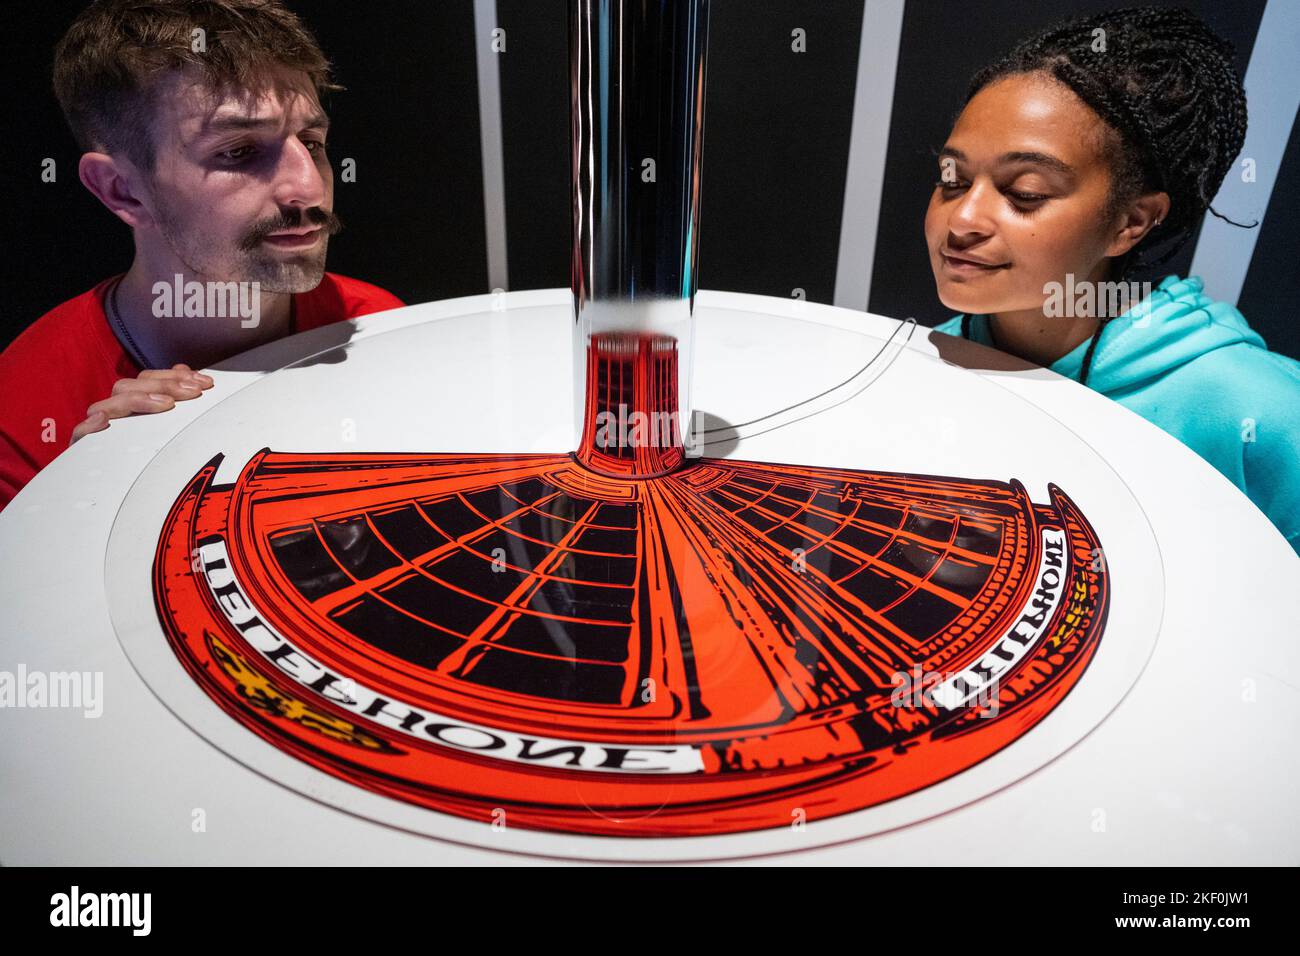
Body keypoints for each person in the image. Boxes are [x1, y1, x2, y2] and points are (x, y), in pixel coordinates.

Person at [0, 0, 404, 511]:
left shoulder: (374, 325)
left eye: (313, 141)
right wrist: (83, 510)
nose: (308, 189)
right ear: (121, 190)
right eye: (238, 152)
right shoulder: (24, 417)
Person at [927, 5, 1300, 555]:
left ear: (1132, 222)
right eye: (952, 180)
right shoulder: (926, 360)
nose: (962, 221)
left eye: (1024, 192)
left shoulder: (1259, 410)